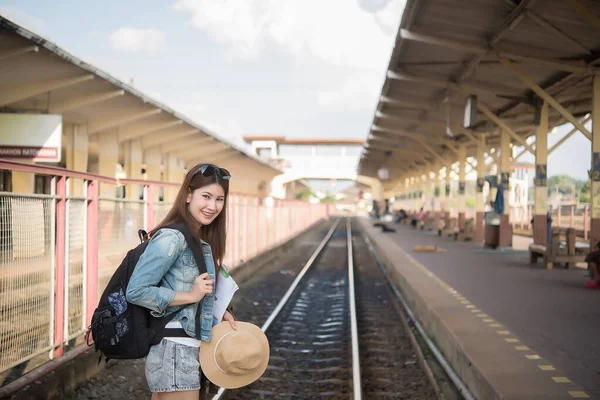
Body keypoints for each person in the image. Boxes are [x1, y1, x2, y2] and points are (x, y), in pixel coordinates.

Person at [126, 163, 237, 399]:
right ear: (188, 195)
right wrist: (192, 296)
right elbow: (136, 290)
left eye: (219, 199)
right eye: (205, 196)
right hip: (175, 351)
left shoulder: (197, 239)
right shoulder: (171, 238)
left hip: (183, 350)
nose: (212, 206)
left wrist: (217, 311)